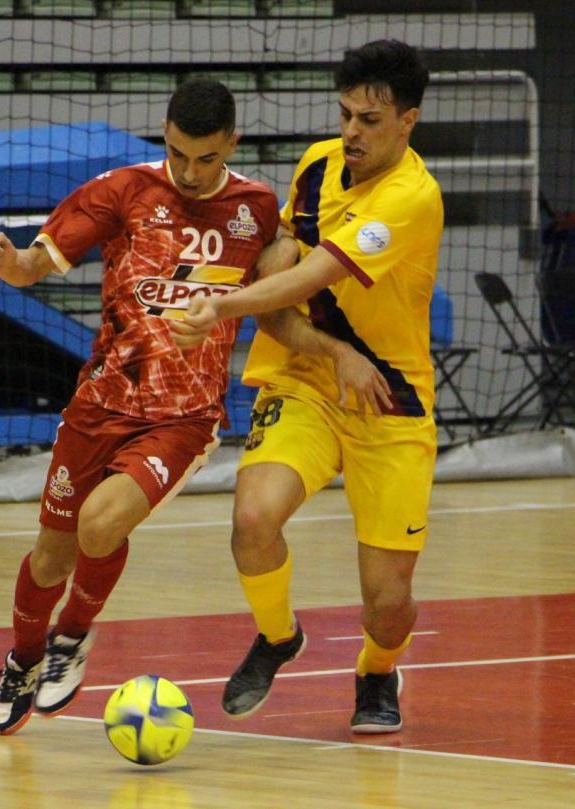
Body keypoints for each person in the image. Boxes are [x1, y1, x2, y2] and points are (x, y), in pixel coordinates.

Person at [0, 78, 281, 735]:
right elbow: (30, 267)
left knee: (100, 524)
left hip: (183, 416)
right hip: (100, 404)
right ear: (164, 133)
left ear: (232, 143)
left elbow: (284, 278)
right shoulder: (123, 190)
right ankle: (23, 659)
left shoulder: (257, 209)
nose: (190, 173)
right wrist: (5, 261)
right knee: (51, 556)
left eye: (206, 158)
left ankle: (71, 636)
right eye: (178, 154)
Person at [170, 40, 443, 733]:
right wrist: (276, 258)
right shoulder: (318, 165)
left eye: (369, 120)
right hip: (305, 382)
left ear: (407, 121)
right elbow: (288, 261)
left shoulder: (411, 197)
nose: (351, 131)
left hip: (389, 400)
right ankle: (277, 635)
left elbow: (317, 275)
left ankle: (377, 670)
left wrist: (220, 305)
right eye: (345, 114)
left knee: (389, 603)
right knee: (253, 520)